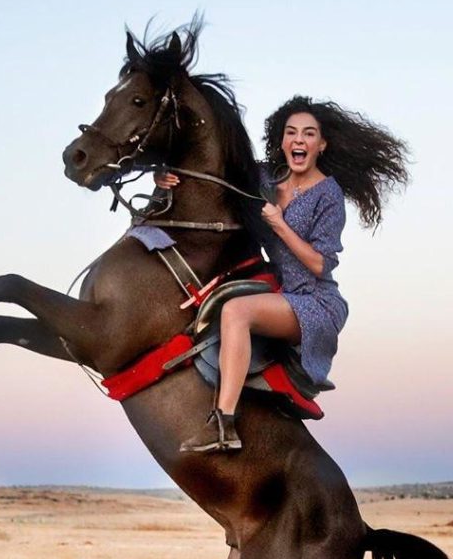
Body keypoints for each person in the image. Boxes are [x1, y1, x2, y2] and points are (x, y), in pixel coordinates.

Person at [161, 96, 409, 453]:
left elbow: (321, 264)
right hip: (281, 290)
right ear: (282, 140)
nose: (299, 140)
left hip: (315, 301)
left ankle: (223, 425)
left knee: (236, 312)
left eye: (309, 134)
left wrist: (279, 225)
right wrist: (169, 176)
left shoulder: (329, 194)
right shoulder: (265, 178)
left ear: (320, 145)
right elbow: (215, 174)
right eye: (291, 132)